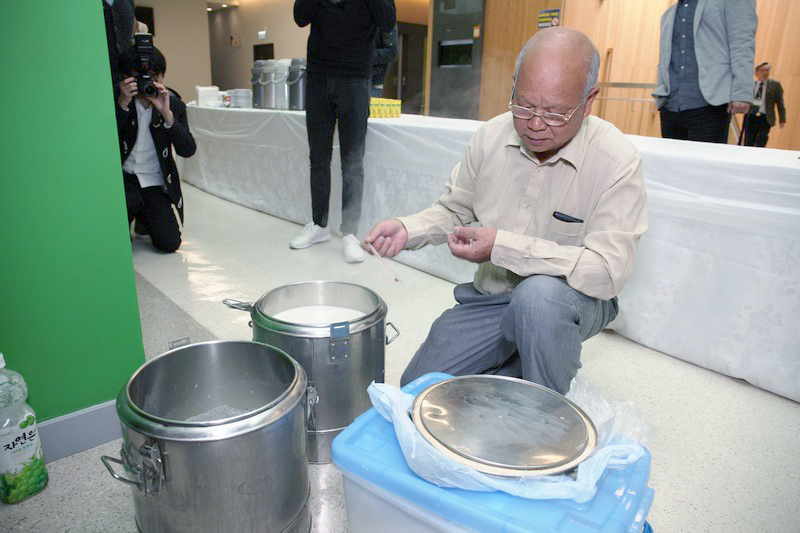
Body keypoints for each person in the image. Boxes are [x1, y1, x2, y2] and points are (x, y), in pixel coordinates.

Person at [363, 28, 648, 395]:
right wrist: (408, 229)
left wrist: (503, 246)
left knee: (539, 298)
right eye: (524, 105)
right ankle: (519, 363)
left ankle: (546, 414)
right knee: (419, 388)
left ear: (589, 100)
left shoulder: (616, 161)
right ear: (514, 85)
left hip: (566, 300)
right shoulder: (491, 137)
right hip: (493, 298)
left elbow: (608, 272)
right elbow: (456, 210)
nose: (535, 124)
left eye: (556, 113)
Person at [291, 0, 396, 263]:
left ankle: (350, 232)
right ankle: (319, 225)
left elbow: (387, 20)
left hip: (356, 78)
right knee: (318, 157)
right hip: (318, 75)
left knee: (352, 161)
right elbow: (300, 17)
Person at [116, 44, 196, 253]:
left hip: (153, 181)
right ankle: (135, 212)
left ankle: (145, 216)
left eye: (153, 77)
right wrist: (123, 104)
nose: (146, 84)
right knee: (116, 243)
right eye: (140, 77)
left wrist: (167, 115)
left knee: (169, 243)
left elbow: (187, 150)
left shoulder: (174, 104)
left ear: (162, 78)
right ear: (127, 77)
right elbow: (102, 143)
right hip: (123, 180)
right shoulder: (118, 101)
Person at [653, 0, 757, 143]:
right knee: (672, 165)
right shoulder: (668, 14)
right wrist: (660, 93)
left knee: (705, 165)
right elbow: (664, 59)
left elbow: (742, 44)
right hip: (670, 107)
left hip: (710, 106)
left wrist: (742, 92)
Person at [741, 62, 787, 147]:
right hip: (751, 116)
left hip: (765, 118)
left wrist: (782, 119)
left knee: (761, 140)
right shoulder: (751, 85)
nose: (765, 73)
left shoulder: (775, 85)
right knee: (749, 141)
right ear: (756, 73)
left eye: (767, 70)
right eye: (762, 70)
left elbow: (780, 103)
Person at [371, 25, 398, 97]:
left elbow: (392, 53)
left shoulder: (385, 19)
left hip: (373, 82)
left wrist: (364, 56)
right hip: (345, 79)